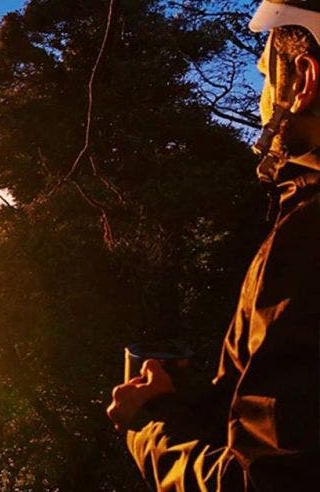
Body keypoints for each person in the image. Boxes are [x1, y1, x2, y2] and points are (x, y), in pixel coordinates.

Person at [106, 1, 320, 490]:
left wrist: (148, 427)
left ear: (304, 80)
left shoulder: (307, 243)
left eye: (266, 74)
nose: (262, 99)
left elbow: (261, 482)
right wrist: (190, 407)